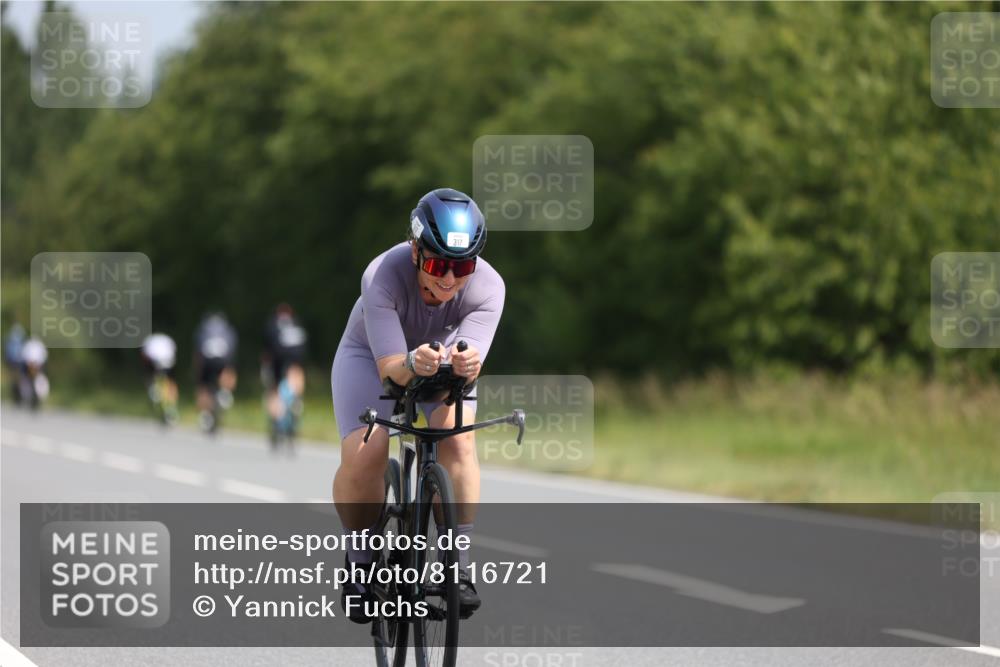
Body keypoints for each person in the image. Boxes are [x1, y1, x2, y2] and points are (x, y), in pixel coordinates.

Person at [331, 188, 504, 623]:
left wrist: (466, 364)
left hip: (440, 365)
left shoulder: (489, 287)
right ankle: (360, 558)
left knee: (460, 444)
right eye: (437, 264)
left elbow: (473, 362)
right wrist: (411, 361)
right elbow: (390, 368)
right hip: (372, 361)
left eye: (462, 266)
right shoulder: (382, 275)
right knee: (369, 449)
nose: (448, 279)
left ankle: (458, 567)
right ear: (415, 250)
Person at [261, 303, 308, 447]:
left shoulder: (272, 325)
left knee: (273, 389)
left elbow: (267, 351)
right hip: (295, 358)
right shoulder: (296, 325)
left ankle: (276, 419)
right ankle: (296, 399)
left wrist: (265, 368)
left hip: (277, 358)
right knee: (296, 372)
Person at [193, 312, 238, 433]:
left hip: (207, 361)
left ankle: (205, 414)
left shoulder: (202, 331)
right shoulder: (228, 330)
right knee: (228, 371)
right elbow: (232, 351)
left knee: (203, 387)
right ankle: (225, 392)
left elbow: (198, 354)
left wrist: (198, 373)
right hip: (223, 360)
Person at [141, 332, 179, 424]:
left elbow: (144, 355)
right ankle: (172, 406)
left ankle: (153, 389)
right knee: (171, 382)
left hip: (154, 362)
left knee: (150, 376)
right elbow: (173, 353)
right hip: (168, 362)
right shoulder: (167, 338)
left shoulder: (149, 339)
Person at [19, 336, 49, 409]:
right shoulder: (29, 345)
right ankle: (27, 396)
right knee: (26, 380)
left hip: (38, 365)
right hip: (29, 365)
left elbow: (44, 356)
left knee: (39, 380)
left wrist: (37, 364)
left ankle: (38, 396)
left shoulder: (36, 345)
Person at [4, 323, 26, 401]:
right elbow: (8, 353)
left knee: (18, 380)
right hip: (13, 362)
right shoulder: (11, 342)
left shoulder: (19, 342)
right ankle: (15, 396)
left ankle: (18, 396)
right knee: (15, 380)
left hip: (17, 362)